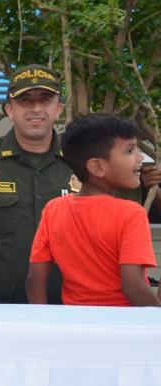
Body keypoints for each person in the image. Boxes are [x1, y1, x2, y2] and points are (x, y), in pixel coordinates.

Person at [27, 114, 158, 306]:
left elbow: (34, 280)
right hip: (124, 326)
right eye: (130, 151)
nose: (140, 158)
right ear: (97, 166)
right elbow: (134, 287)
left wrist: (40, 321)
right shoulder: (131, 213)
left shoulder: (54, 209)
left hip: (76, 324)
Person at [0, 67, 71, 304]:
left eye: (45, 100)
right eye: (26, 101)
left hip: (66, 307)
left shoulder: (79, 165)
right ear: (9, 110)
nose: (36, 109)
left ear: (58, 109)